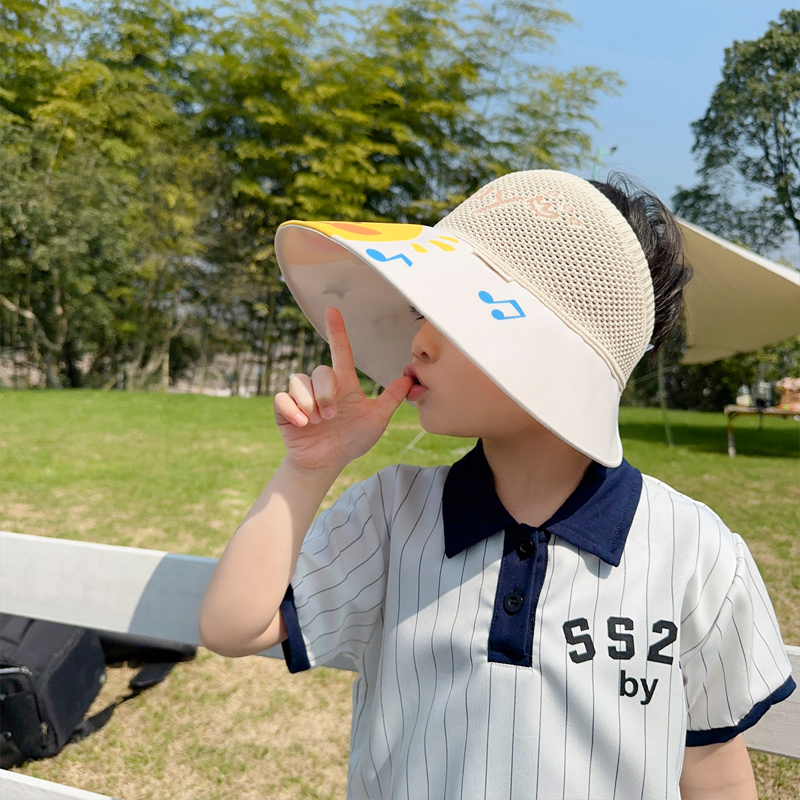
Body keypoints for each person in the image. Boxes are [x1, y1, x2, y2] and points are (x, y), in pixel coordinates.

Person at [198, 170, 795, 800]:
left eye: (457, 316)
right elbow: (234, 626)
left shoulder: (694, 551)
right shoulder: (392, 514)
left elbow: (714, 770)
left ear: (556, 352)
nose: (418, 342)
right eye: (423, 312)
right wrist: (308, 469)